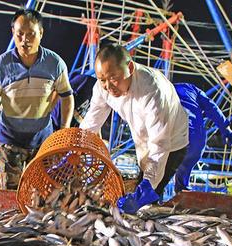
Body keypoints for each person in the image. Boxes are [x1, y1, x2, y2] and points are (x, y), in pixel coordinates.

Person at [80, 43, 189, 214]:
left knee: (149, 195)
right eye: (102, 79)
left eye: (113, 78)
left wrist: (146, 187)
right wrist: (76, 149)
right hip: (144, 142)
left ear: (129, 67)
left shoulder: (152, 91)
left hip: (172, 142)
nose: (108, 86)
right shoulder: (103, 88)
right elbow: (91, 122)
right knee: (143, 186)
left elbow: (160, 146)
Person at [0, 9, 74, 190]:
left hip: (44, 140)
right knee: (10, 193)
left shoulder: (55, 63)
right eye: (19, 34)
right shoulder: (1, 65)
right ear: (13, 33)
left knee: (46, 191)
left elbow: (67, 96)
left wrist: (64, 130)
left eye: (31, 34)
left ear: (41, 33)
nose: (24, 40)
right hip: (10, 141)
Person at [173, 83, 232, 193]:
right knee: (186, 164)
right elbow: (211, 107)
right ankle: (181, 192)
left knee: (158, 171)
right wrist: (225, 128)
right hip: (193, 135)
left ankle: (151, 197)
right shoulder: (192, 89)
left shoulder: (163, 89)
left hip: (167, 132)